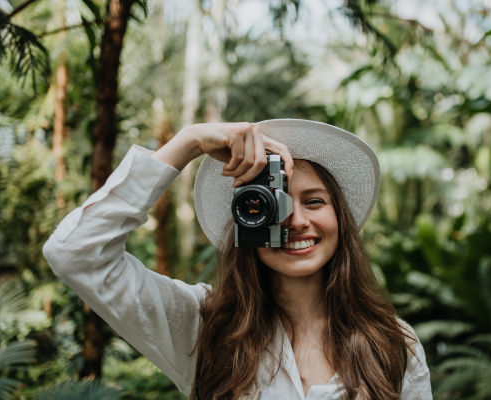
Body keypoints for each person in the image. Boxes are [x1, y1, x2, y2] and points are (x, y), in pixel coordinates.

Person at [43, 119, 432, 400]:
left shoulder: (394, 343)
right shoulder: (203, 326)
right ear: (245, 222)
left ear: (340, 219)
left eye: (314, 201)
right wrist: (188, 141)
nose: (296, 221)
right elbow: (75, 253)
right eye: (269, 206)